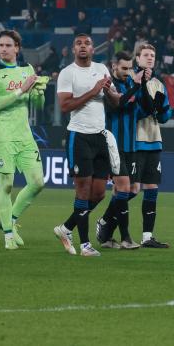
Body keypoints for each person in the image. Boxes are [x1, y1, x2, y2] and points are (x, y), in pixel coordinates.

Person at [54, 33, 121, 257]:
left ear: (93, 49)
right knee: (82, 191)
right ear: (73, 49)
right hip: (79, 136)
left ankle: (66, 228)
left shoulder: (102, 69)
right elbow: (65, 106)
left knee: (99, 193)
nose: (83, 46)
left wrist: (108, 91)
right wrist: (93, 91)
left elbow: (116, 101)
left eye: (87, 43)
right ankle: (85, 245)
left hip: (99, 136)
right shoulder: (68, 73)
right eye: (79, 43)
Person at [0, 30, 45, 250]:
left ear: (17, 48)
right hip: (2, 136)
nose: (3, 49)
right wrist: (21, 90)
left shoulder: (27, 69)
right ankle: (8, 235)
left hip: (24, 136)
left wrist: (39, 93)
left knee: (38, 182)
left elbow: (37, 105)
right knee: (6, 185)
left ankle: (11, 219)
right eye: (0, 45)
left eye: (8, 45)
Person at [95, 51, 150, 250]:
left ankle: (105, 225)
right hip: (114, 145)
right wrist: (136, 85)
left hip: (131, 145)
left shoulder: (131, 84)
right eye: (123, 68)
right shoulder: (109, 85)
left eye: (129, 68)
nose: (127, 72)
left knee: (133, 190)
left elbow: (145, 110)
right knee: (124, 188)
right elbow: (116, 106)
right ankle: (126, 238)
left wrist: (144, 85)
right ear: (114, 66)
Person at [132, 43, 172, 248]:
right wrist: (147, 107)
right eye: (146, 55)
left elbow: (165, 115)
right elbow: (130, 110)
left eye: (152, 55)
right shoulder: (131, 79)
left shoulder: (158, 84)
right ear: (137, 58)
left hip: (154, 140)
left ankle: (147, 236)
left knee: (152, 188)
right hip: (135, 141)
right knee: (131, 189)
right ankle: (106, 222)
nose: (149, 58)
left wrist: (161, 109)